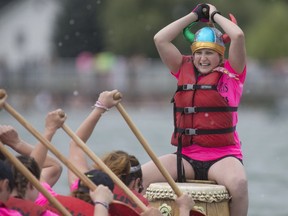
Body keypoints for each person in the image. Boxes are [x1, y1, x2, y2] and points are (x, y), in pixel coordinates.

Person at [142, 3, 248, 216]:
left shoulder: (233, 73)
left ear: (220, 55)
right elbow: (159, 39)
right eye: (199, 53)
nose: (203, 58)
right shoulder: (183, 67)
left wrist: (214, 14)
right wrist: (193, 16)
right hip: (186, 157)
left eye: (209, 53)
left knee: (239, 184)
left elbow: (237, 36)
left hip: (223, 157)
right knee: (138, 177)